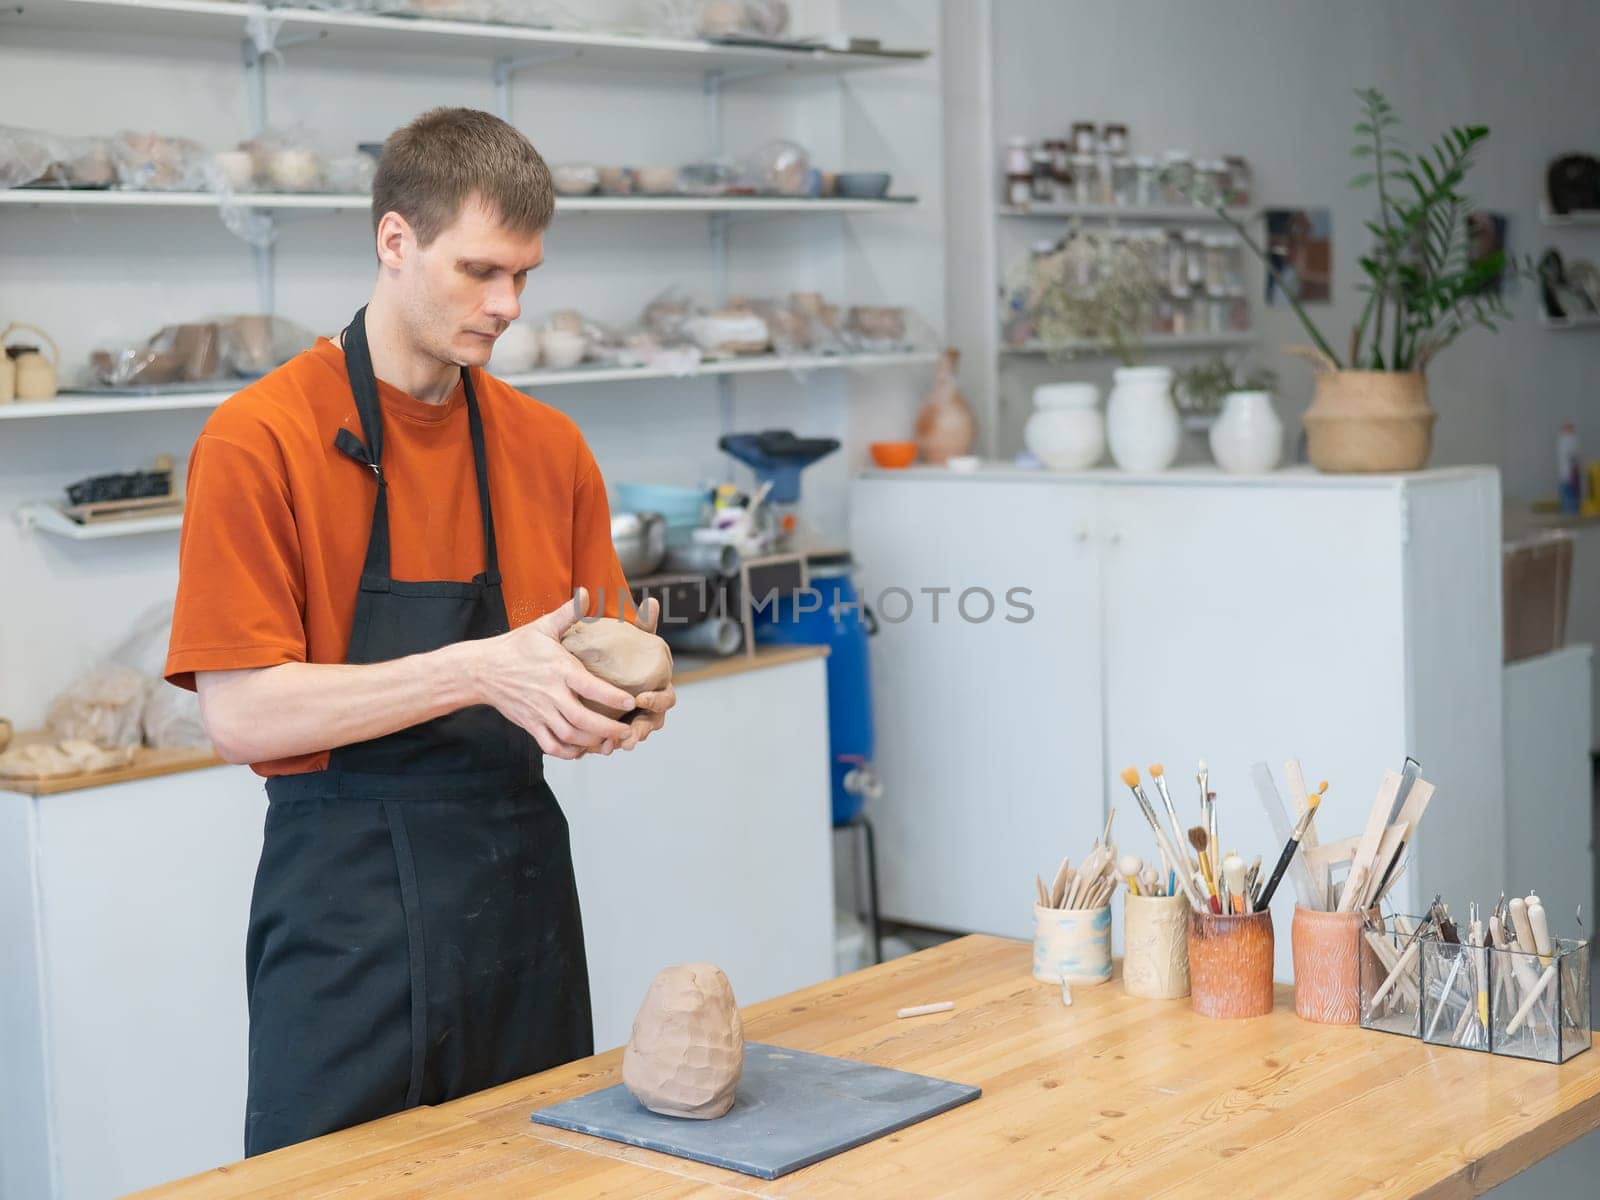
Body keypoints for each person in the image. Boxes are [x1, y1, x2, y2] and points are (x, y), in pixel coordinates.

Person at [162, 107, 675, 1155]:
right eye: (481, 271)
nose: (508, 306)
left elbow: (594, 653)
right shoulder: (260, 439)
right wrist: (475, 670)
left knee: (543, 1174)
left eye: (525, 276)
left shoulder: (548, 446)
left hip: (520, 895)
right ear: (395, 241)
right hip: (344, 914)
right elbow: (243, 714)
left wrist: (624, 703)